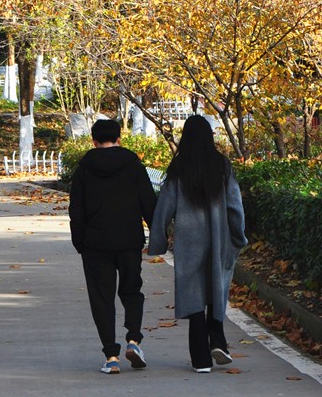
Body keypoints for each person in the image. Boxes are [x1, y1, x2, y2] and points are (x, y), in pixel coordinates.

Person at [147, 113, 247, 372]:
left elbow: (164, 209)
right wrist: (238, 235)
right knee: (216, 288)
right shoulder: (222, 165)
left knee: (193, 296)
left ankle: (201, 359)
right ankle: (218, 341)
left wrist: (157, 242)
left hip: (189, 242)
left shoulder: (179, 168)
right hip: (219, 239)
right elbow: (235, 206)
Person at [69, 117, 158, 374]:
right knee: (132, 291)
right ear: (119, 138)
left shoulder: (85, 167)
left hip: (96, 245)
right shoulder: (132, 163)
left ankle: (111, 356)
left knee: (102, 298)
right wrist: (158, 233)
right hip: (129, 240)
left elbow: (76, 209)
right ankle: (134, 339)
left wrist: (80, 242)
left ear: (94, 141)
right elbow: (147, 201)